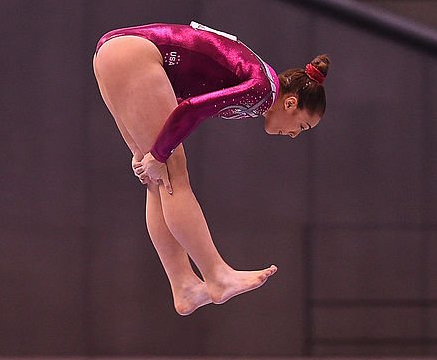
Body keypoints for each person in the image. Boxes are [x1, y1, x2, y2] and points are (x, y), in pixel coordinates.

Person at [93, 21, 329, 315]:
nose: (294, 134)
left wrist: (147, 149)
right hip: (134, 53)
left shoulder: (261, 86)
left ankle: (184, 285)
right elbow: (191, 109)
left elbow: (180, 92)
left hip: (116, 52)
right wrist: (158, 151)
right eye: (302, 126)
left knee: (158, 180)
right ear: (291, 103)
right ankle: (217, 274)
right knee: (173, 173)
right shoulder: (261, 90)